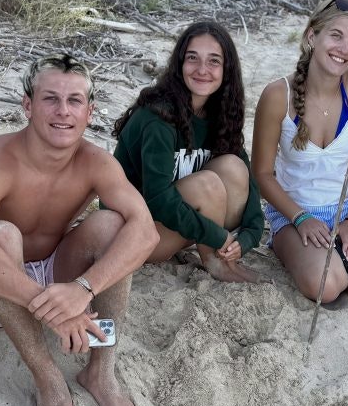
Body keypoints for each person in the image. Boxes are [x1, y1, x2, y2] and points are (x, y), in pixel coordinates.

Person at [0, 54, 158, 406]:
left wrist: (83, 289)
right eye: (50, 99)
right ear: (27, 105)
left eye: (75, 100)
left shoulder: (95, 161)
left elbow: (145, 232)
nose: (63, 112)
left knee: (113, 225)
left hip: (54, 272)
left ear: (90, 111)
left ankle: (101, 370)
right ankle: (50, 383)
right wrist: (50, 306)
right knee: (1, 234)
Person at [251, 0, 348, 314]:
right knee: (327, 287)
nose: (344, 49)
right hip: (296, 213)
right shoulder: (278, 95)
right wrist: (300, 217)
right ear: (312, 36)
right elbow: (262, 174)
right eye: (336, 36)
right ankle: (304, 252)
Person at [112, 21, 264, 283]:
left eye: (214, 61)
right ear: (180, 63)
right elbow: (158, 198)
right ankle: (214, 261)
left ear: (226, 70)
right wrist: (215, 236)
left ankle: (215, 254)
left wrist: (249, 236)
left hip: (172, 225)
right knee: (208, 184)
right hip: (132, 233)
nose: (202, 70)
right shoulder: (158, 116)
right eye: (193, 58)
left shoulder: (219, 114)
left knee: (232, 166)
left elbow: (248, 183)